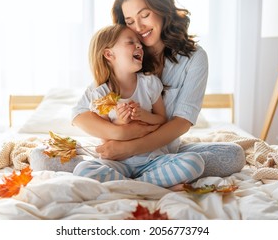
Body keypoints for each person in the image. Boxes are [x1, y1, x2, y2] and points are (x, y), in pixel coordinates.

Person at [72, 0, 245, 186]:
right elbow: (79, 115)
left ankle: (131, 181)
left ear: (163, 11)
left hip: (161, 153)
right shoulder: (124, 59)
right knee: (44, 155)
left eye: (145, 15)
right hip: (115, 152)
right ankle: (142, 178)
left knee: (233, 155)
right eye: (129, 21)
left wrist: (132, 147)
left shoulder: (194, 58)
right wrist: (121, 134)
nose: (139, 27)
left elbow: (181, 122)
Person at [72, 24, 205, 187]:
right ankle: (146, 184)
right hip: (119, 163)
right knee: (83, 169)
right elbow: (106, 140)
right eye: (130, 42)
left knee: (194, 162)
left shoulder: (149, 83)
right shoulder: (101, 94)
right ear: (109, 54)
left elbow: (162, 119)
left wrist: (144, 115)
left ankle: (132, 185)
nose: (139, 45)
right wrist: (121, 122)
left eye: (139, 43)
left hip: (152, 159)